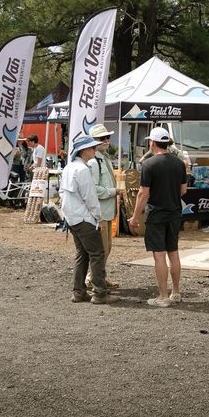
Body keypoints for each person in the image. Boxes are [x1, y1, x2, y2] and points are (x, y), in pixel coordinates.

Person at [128, 127, 187, 307]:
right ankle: (175, 292)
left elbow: (143, 194)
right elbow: (183, 190)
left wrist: (135, 216)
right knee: (173, 252)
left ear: (152, 143)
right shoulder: (179, 163)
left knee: (159, 255)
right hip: (175, 212)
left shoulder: (149, 165)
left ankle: (162, 296)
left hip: (156, 214)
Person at [61, 135, 113, 304]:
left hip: (72, 216)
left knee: (81, 254)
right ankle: (99, 293)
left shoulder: (70, 167)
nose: (94, 150)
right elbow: (90, 198)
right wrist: (98, 218)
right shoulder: (83, 170)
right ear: (84, 151)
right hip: (84, 217)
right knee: (97, 254)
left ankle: (79, 292)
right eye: (91, 148)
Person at [86, 123, 119, 289]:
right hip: (99, 212)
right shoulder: (94, 162)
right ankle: (93, 278)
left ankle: (98, 276)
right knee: (102, 250)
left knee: (107, 248)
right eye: (102, 138)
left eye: (108, 137)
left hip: (106, 211)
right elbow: (94, 189)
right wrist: (115, 191)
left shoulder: (104, 158)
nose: (107, 140)